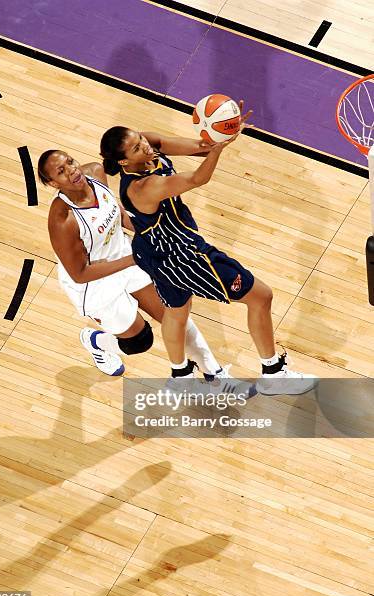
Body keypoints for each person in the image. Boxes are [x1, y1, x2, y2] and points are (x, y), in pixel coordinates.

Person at [99, 106, 317, 394]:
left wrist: (219, 133)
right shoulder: (143, 187)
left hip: (151, 251)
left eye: (141, 138)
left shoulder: (149, 150)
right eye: (137, 148)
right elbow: (196, 179)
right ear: (124, 162)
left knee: (176, 312)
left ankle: (180, 378)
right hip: (185, 256)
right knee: (261, 297)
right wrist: (218, 149)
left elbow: (192, 148)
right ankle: (273, 372)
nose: (145, 145)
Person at [37, 147, 252, 393]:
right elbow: (80, 273)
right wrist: (135, 258)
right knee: (140, 341)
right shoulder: (62, 219)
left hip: (125, 256)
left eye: (70, 162)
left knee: (174, 315)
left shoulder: (95, 172)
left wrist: (149, 231)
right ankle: (96, 342)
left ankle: (215, 375)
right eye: (61, 172)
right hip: (93, 283)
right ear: (53, 183)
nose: (72, 170)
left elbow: (115, 211)